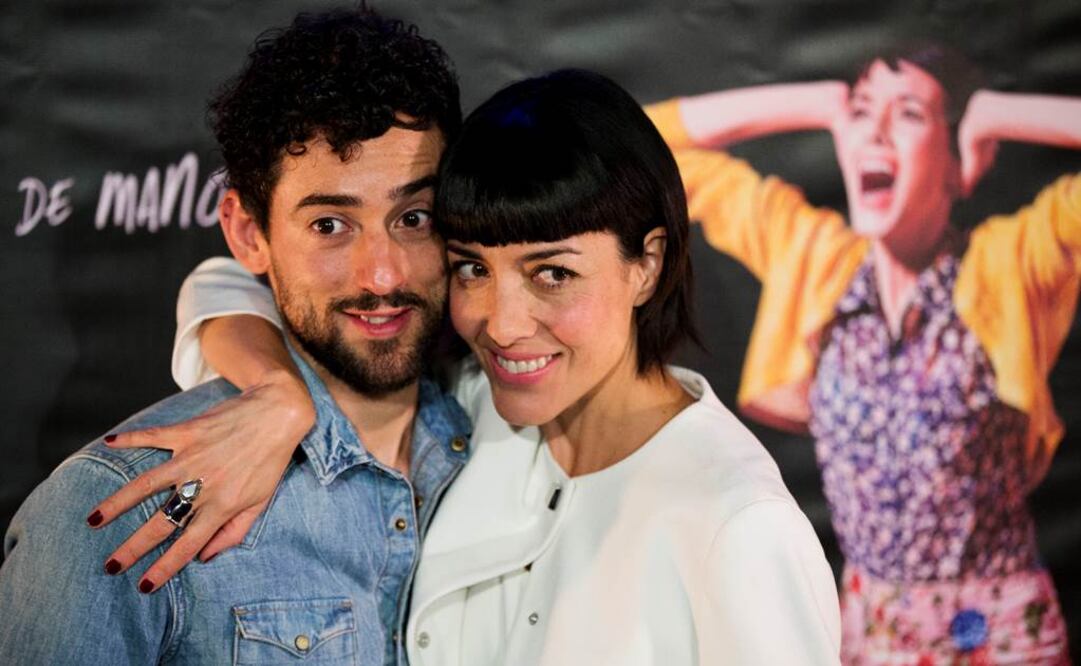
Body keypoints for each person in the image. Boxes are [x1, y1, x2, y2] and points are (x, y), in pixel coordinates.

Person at [89, 70, 843, 663]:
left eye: (552, 273)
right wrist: (277, 391)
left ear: (645, 265)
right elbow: (222, 282)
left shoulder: (736, 526)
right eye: (472, 269)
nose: (501, 323)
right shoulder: (470, 406)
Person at [0, 8, 469, 664]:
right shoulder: (124, 508)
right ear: (249, 233)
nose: (384, 273)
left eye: (413, 216)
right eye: (330, 225)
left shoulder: (513, 439)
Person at [642, 45, 1081, 664]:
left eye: (906, 113)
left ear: (961, 161)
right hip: (871, 633)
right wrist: (817, 104)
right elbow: (640, 148)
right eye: (861, 113)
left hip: (1006, 632)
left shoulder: (1017, 261)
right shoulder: (814, 256)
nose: (873, 132)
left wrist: (995, 114)